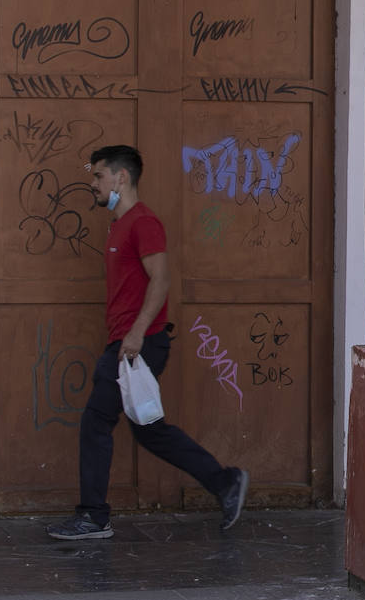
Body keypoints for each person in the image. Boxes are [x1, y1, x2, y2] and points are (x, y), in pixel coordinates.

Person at [46, 145, 249, 540]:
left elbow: (161, 279)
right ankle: (225, 483)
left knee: (95, 423)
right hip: (130, 343)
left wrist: (136, 332)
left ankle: (93, 516)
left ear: (121, 177)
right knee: (150, 430)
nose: (93, 184)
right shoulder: (119, 225)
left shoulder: (143, 222)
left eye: (98, 176)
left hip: (136, 345)